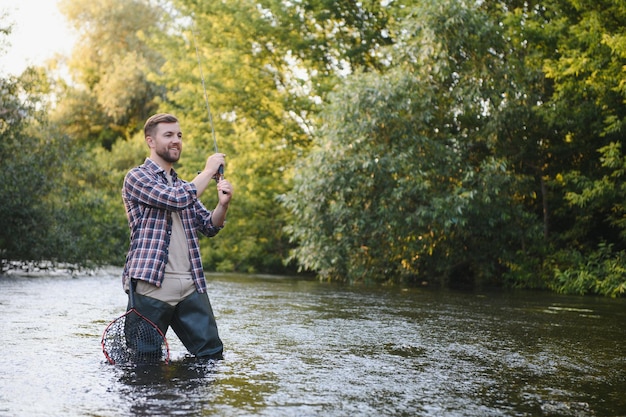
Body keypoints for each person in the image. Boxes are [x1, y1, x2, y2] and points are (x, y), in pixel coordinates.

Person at [121, 112, 232, 360]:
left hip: (191, 285)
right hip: (151, 286)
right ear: (150, 141)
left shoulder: (184, 185)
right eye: (168, 135)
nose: (176, 141)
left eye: (179, 135)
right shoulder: (137, 177)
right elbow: (175, 200)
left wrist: (223, 205)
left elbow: (209, 226)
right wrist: (207, 171)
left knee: (211, 356)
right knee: (144, 363)